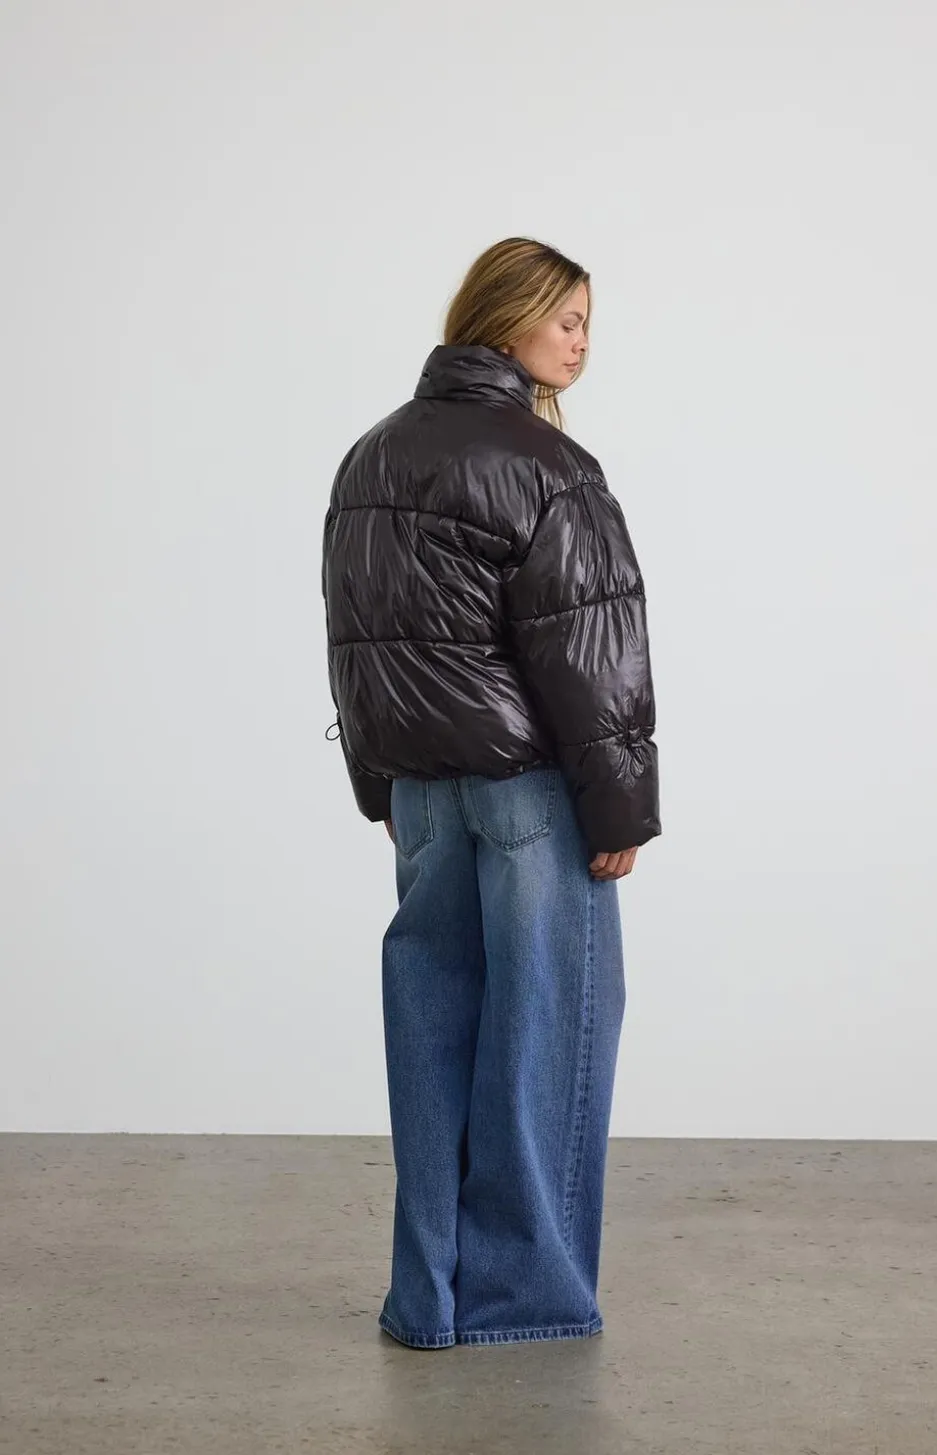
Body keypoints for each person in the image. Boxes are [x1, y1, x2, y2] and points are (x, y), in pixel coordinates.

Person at [321, 236, 660, 1350]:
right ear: (508, 318)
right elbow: (590, 654)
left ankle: (428, 1300)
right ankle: (526, 1301)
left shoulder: (371, 455)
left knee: (432, 1037)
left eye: (587, 321)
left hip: (421, 798)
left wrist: (377, 781)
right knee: (547, 1037)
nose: (582, 341)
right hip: (528, 798)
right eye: (566, 318)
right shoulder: (549, 466)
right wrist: (618, 809)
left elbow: (356, 634)